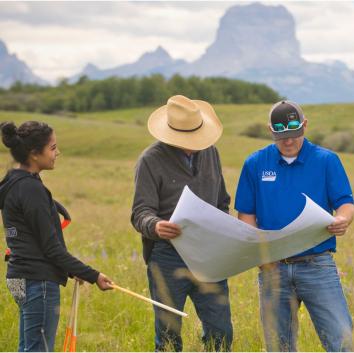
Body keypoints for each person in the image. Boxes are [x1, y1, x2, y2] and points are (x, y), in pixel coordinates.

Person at [235, 100, 354, 352]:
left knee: (341, 341)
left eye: (294, 134)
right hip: (273, 269)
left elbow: (345, 203)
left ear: (305, 125)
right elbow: (246, 215)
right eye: (281, 136)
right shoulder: (255, 163)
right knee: (278, 346)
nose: (288, 141)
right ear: (270, 130)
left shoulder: (326, 160)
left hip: (317, 265)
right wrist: (261, 257)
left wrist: (343, 219)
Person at [131, 95, 233, 352]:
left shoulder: (211, 152)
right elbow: (140, 212)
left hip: (209, 255)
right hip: (167, 256)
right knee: (168, 337)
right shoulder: (150, 160)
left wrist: (223, 228)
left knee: (221, 332)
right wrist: (155, 226)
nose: (193, 146)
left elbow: (222, 200)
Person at [0, 121, 113, 352]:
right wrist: (92, 275)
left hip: (20, 275)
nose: (57, 153)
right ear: (34, 153)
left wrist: (72, 270)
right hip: (37, 280)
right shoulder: (30, 189)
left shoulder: (15, 182)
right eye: (52, 148)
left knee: (29, 348)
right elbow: (51, 248)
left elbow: (35, 240)